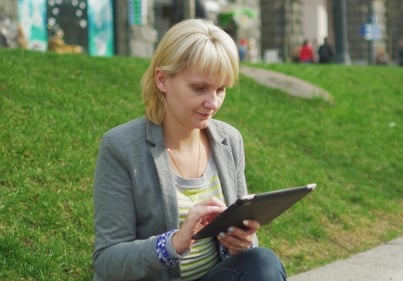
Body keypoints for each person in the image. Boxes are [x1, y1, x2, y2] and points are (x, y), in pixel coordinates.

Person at [92, 19, 287, 281]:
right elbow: (106, 261)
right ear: (162, 79)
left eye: (221, 89)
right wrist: (174, 243)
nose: (213, 102)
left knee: (261, 260)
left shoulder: (229, 140)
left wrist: (241, 243)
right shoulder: (121, 147)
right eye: (199, 88)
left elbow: (245, 255)